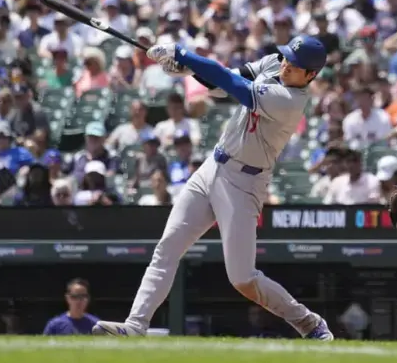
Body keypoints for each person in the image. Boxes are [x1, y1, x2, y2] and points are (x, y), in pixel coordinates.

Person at [93, 36, 334, 340]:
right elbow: (221, 86)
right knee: (167, 247)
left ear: (311, 75)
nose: (287, 65)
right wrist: (187, 71)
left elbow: (236, 87)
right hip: (212, 166)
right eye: (288, 58)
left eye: (296, 66)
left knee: (243, 278)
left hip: (244, 183)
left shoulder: (291, 101)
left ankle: (308, 322)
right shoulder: (275, 63)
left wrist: (183, 55)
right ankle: (135, 325)